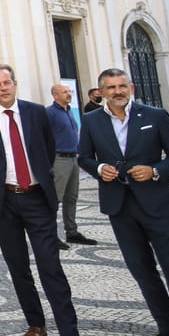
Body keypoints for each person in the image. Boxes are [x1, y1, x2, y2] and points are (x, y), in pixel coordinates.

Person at [0, 64, 98, 336]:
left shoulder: (37, 113)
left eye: (7, 82)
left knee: (50, 266)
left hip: (37, 198)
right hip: (5, 202)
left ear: (15, 83)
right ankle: (36, 324)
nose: (3, 87)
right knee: (18, 267)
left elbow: (47, 148)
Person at [78, 68, 169, 336]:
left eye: (122, 86)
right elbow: (84, 157)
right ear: (101, 92)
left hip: (157, 205)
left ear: (132, 87)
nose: (117, 91)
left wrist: (156, 170)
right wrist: (100, 169)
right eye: (111, 87)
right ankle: (168, 333)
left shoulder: (155, 116)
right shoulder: (91, 121)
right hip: (120, 208)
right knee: (143, 272)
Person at [44, 83, 96, 250]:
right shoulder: (50, 113)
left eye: (69, 91)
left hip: (73, 158)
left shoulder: (69, 112)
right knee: (55, 198)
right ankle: (50, 234)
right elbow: (43, 136)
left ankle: (72, 231)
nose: (68, 94)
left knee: (71, 197)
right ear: (55, 95)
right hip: (59, 159)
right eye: (64, 92)